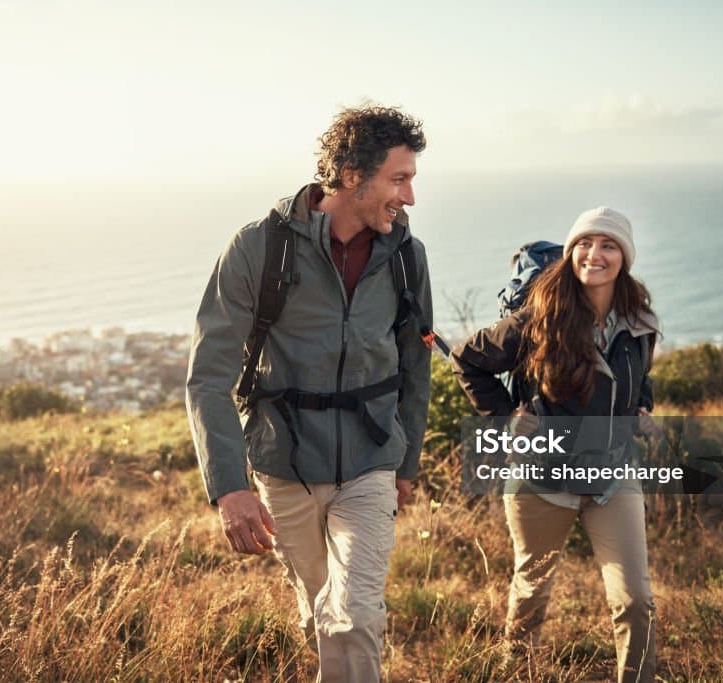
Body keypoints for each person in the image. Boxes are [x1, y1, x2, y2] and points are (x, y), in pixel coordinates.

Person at [186, 106, 433, 682]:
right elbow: (207, 377)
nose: (411, 197)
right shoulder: (257, 249)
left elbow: (414, 368)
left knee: (353, 615)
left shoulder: (405, 256)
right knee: (319, 612)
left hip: (372, 459)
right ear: (351, 175)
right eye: (399, 179)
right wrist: (228, 488)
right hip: (283, 463)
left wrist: (408, 461)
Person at [451, 207, 660, 683]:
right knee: (532, 594)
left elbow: (641, 376)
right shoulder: (538, 317)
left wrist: (641, 408)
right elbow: (468, 359)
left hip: (613, 477)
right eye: (585, 244)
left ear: (623, 257)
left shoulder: (640, 321)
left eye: (608, 245)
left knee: (635, 600)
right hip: (541, 480)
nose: (595, 254)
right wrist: (506, 418)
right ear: (571, 253)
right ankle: (515, 673)